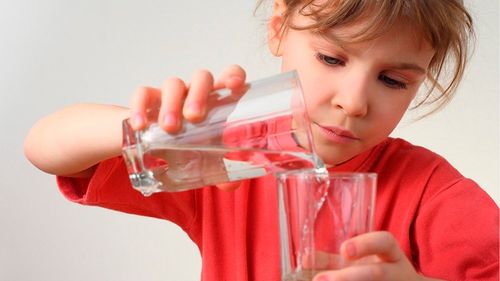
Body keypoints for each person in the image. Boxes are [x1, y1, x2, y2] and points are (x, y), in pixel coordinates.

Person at [24, 0, 498, 280]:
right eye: (332, 59)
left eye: (393, 80)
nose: (354, 103)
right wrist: (146, 128)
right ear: (278, 28)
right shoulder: (228, 155)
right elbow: (45, 147)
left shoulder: (433, 193)